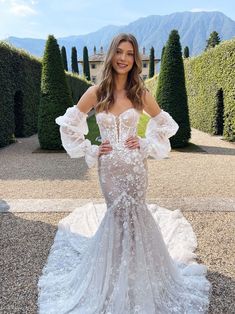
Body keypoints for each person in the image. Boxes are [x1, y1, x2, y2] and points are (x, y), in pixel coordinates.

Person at [37, 33, 211, 313]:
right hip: (109, 169)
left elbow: (166, 125)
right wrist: (91, 147)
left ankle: (141, 279)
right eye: (119, 52)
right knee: (117, 217)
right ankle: (112, 277)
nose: (124, 58)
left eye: (130, 54)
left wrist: (145, 143)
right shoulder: (96, 92)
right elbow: (68, 125)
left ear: (135, 59)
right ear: (111, 55)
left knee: (136, 215)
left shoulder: (140, 93)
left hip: (135, 168)